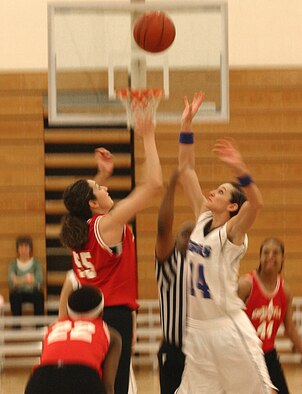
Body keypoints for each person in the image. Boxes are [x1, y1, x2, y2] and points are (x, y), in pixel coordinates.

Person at [175, 92, 277, 393]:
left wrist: (240, 168)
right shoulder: (202, 217)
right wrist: (186, 125)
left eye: (220, 192)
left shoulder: (232, 233)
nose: (212, 193)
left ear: (232, 206)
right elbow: (186, 170)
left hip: (227, 327)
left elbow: (256, 203)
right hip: (197, 331)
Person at [58, 103, 163, 394]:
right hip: (112, 316)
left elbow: (86, 203)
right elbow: (154, 184)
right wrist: (148, 135)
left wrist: (100, 176)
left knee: (94, 383)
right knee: (114, 387)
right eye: (101, 188)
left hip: (88, 315)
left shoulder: (80, 228)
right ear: (93, 204)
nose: (106, 188)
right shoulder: (107, 225)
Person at [24, 286, 122, 394]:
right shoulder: (111, 333)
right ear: (101, 311)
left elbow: (47, 360)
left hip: (40, 379)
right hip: (83, 377)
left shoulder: (52, 328)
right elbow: (108, 385)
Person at [238, 237, 302, 394]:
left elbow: (291, 329)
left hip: (268, 354)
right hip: (243, 355)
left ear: (283, 258)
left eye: (276, 253)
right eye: (266, 252)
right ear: (260, 257)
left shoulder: (284, 291)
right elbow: (226, 321)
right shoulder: (246, 285)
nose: (270, 256)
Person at [155, 169, 194, 394]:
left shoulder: (207, 268)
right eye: (184, 234)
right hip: (175, 351)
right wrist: (170, 187)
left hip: (202, 351)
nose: (189, 238)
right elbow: (163, 228)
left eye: (193, 233)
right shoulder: (170, 265)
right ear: (176, 240)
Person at [8, 236, 44, 322]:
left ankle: (39, 326)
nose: (23, 249)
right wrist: (28, 279)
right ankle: (16, 326)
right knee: (13, 295)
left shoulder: (36, 263)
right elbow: (11, 282)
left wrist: (18, 280)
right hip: (18, 293)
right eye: (21, 247)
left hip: (33, 293)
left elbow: (39, 281)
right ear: (18, 249)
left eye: (26, 246)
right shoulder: (13, 265)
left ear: (30, 248)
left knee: (39, 295)